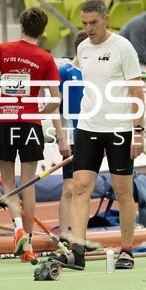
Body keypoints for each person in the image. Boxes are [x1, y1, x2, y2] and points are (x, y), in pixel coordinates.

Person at [49, 0, 145, 271]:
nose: (89, 28)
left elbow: (137, 91)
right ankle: (77, 250)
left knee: (123, 192)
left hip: (120, 127)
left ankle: (127, 251)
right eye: (84, 24)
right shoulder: (82, 47)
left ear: (105, 19)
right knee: (79, 187)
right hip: (88, 127)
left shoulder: (123, 47)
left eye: (93, 23)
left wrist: (138, 132)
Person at [0, 7, 70, 263]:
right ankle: (27, 244)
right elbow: (57, 98)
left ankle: (17, 226)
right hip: (30, 125)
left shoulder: (4, 49)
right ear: (42, 32)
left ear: (21, 25)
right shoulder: (45, 58)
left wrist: (0, 106)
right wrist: (38, 111)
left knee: (8, 182)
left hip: (5, 122)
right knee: (28, 185)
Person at [56, 30, 88, 236]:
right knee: (69, 188)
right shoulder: (65, 72)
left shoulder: (94, 73)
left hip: (91, 133)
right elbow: (54, 106)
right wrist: (62, 137)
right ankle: (63, 236)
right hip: (72, 134)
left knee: (83, 187)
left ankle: (79, 235)